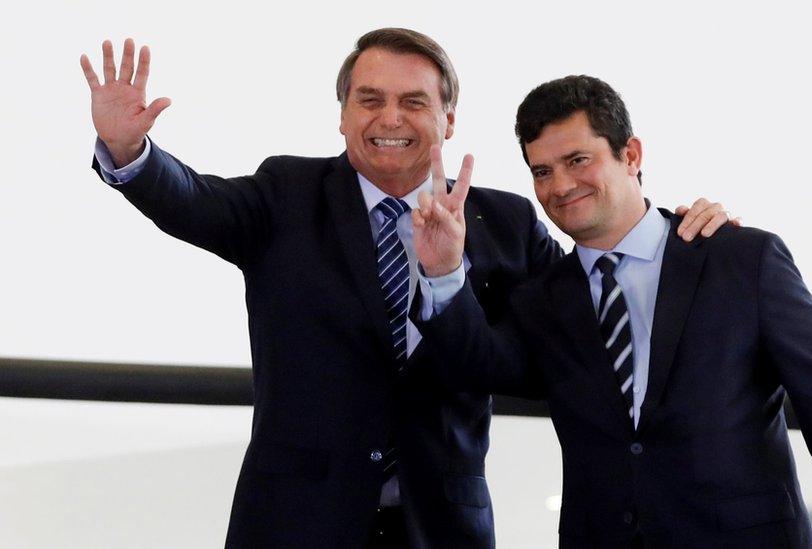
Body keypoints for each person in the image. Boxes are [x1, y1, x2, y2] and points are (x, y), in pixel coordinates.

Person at [79, 30, 734, 548]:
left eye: (414, 101)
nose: (390, 116)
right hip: (295, 522)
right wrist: (130, 154)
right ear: (342, 116)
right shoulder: (286, 194)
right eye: (370, 99)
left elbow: (589, 313)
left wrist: (677, 235)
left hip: (442, 526)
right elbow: (193, 200)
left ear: (448, 120)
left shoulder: (503, 220)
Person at [412, 75, 812, 548]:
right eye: (542, 171)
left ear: (631, 155)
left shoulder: (741, 260)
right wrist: (442, 270)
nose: (560, 185)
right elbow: (477, 363)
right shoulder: (541, 299)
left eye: (578, 160)